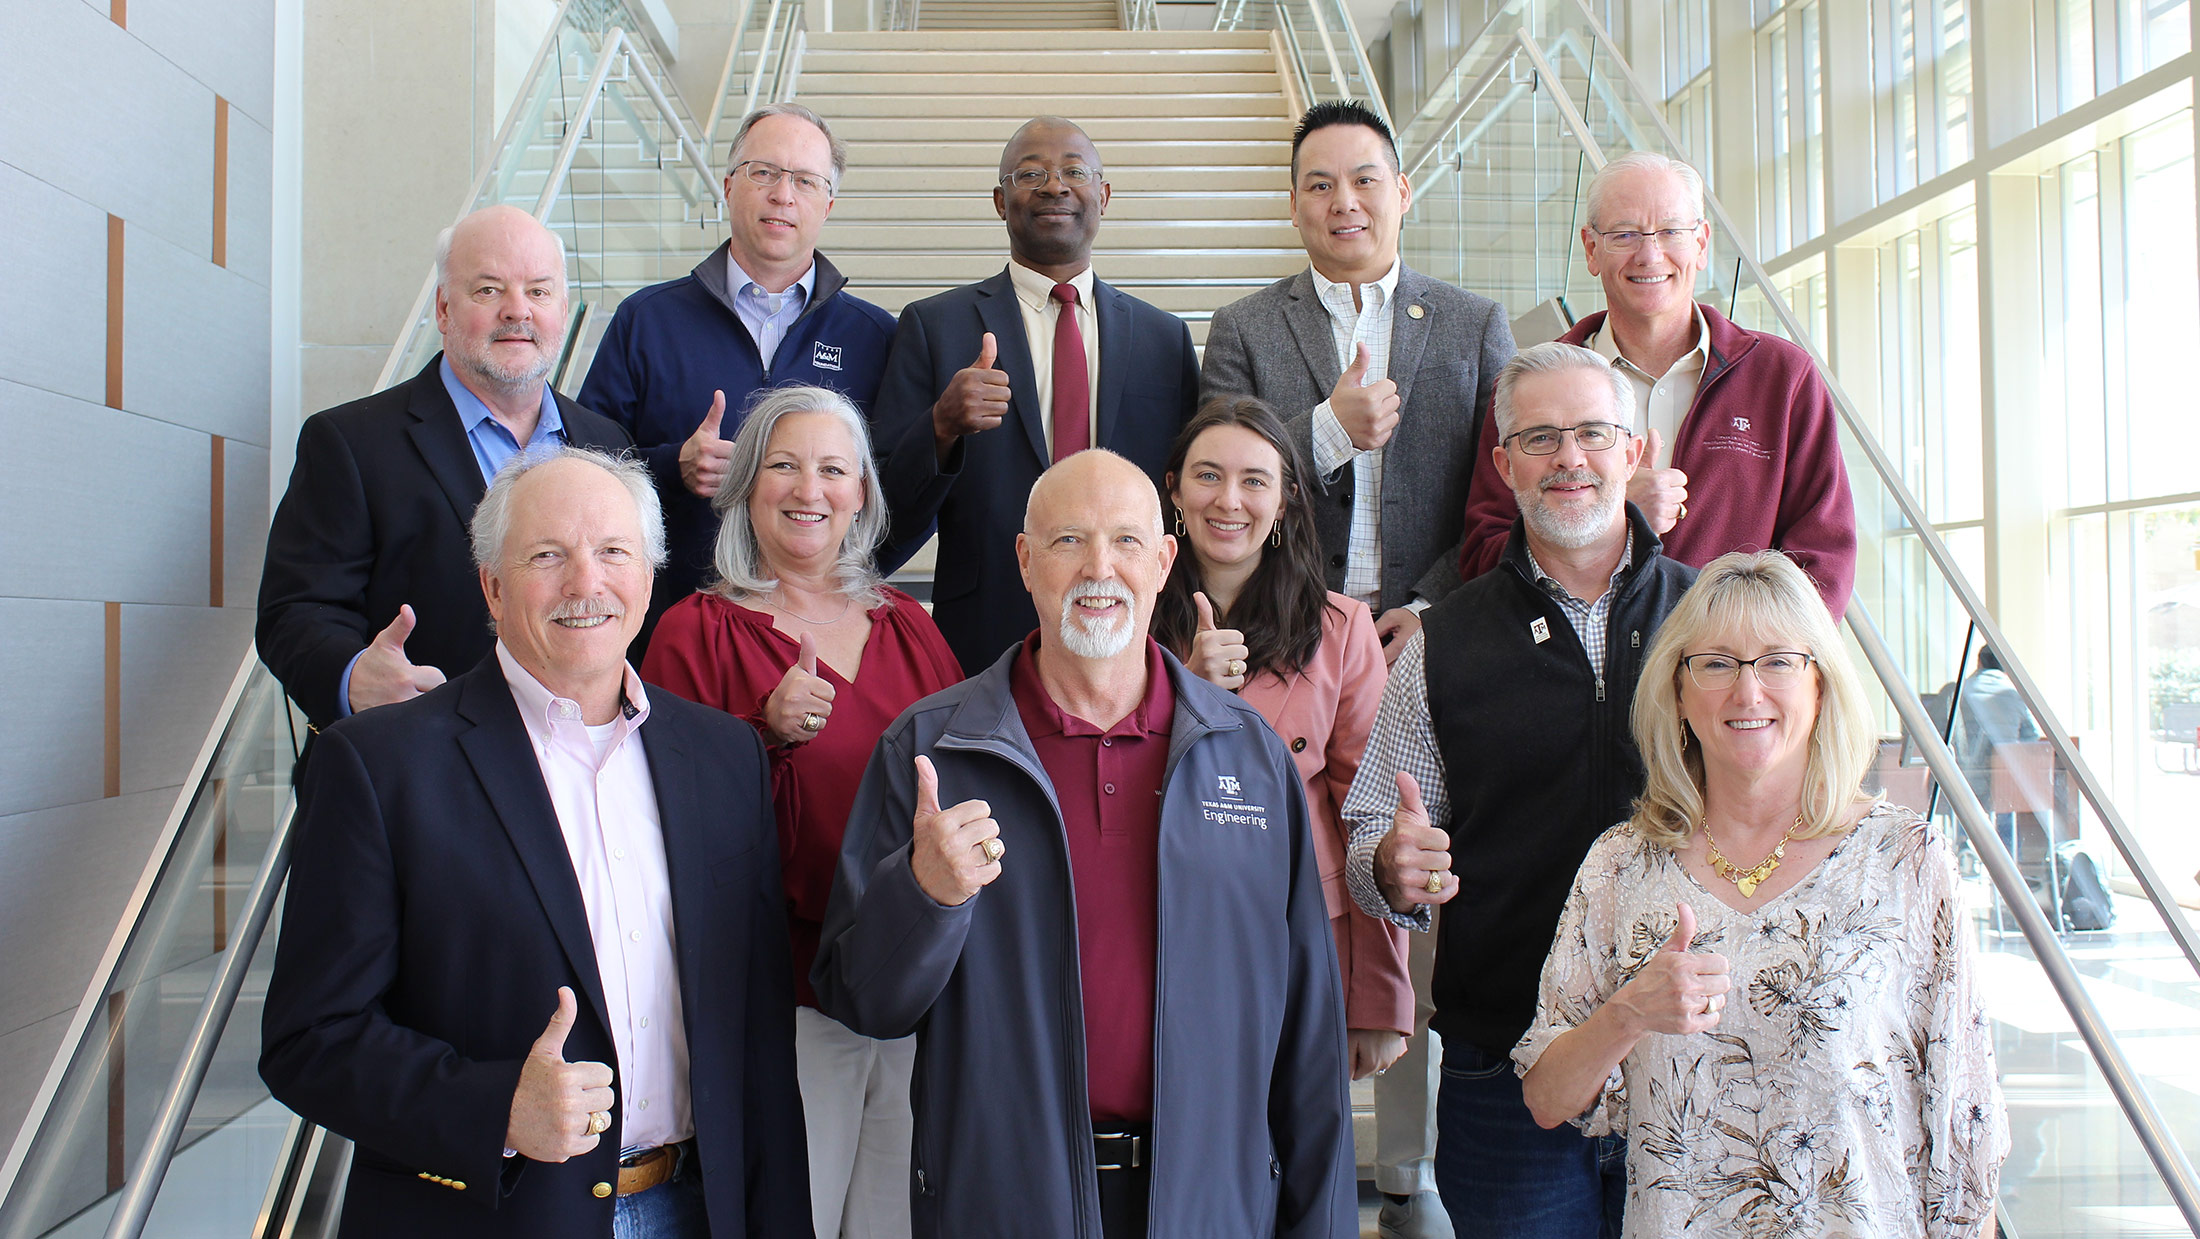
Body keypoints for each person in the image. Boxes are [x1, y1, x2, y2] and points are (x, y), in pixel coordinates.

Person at [260, 448, 811, 1238]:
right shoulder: (380, 765)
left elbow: (758, 1038)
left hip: (700, 1209)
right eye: (547, 556)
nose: (586, 583)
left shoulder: (724, 757)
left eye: (614, 552)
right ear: (491, 585)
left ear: (650, 576)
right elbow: (307, 1039)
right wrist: (495, 1110)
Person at [813, 450, 1355, 1238]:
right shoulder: (934, 750)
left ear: (1165, 561)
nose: (1100, 568)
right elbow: (863, 1001)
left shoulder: (1249, 753)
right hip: (1004, 1205)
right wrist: (923, 896)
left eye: (1127, 542)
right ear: (1027, 562)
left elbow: (1309, 1029)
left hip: (1214, 1202)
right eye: (1069, 541)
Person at [1515, 550, 2010, 1236]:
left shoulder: (1905, 859)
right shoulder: (1621, 866)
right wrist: (1628, 1012)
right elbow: (1545, 1096)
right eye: (1716, 663)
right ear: (1679, 694)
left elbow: (1965, 1130)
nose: (1747, 692)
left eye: (1778, 660)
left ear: (1821, 685)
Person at [1345, 342, 1699, 1237]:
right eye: (1539, 438)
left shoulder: (1710, 623)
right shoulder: (1441, 642)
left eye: (1591, 432)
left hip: (1695, 1059)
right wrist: (1391, 865)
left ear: (1636, 449)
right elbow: (1369, 844)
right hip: (1503, 1068)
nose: (1568, 458)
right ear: (1503, 466)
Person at [640, 386, 961, 1239]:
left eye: (832, 468)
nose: (807, 489)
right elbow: (659, 818)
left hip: (915, 985)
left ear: (862, 491)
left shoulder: (911, 627)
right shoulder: (692, 631)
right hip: (782, 995)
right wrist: (761, 733)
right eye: (782, 465)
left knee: (899, 1222)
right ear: (746, 485)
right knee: (797, 1217)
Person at [257, 205, 631, 730]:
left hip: (579, 759)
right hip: (416, 765)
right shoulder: (350, 443)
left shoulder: (608, 445)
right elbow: (293, 612)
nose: (517, 311)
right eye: (488, 290)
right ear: (443, 309)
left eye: (539, 291)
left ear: (563, 310)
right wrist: (352, 676)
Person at [868, 116, 1201, 676]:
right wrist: (941, 428)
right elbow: (882, 522)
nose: (1054, 186)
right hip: (985, 635)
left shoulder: (1164, 339)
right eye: (1031, 174)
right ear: (1001, 201)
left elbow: (1186, 493)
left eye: (1075, 171)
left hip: (1132, 630)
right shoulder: (934, 326)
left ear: (1105, 195)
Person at [1457, 151, 1856, 615]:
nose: (1650, 255)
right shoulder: (1528, 385)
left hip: (1726, 675)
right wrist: (1606, 512)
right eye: (1624, 234)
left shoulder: (1781, 379)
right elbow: (1483, 556)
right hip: (1569, 670)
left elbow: (1823, 558)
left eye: (1670, 232)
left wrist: (1752, 663)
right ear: (1590, 249)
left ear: (1702, 243)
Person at [1151, 395, 1412, 1082]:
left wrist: (1380, 994)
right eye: (1207, 476)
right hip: (1159, 934)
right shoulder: (1127, 616)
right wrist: (1184, 688)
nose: (1228, 500)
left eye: (1254, 480)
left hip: (1301, 936)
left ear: (1289, 499)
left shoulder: (1342, 627)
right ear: (1173, 491)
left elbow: (1369, 816)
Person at [1201, 101, 1517, 665]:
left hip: (1438, 636)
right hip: (1281, 636)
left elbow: (1505, 489)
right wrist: (1327, 429)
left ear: (1401, 192)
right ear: (1294, 208)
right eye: (1320, 186)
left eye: (1364, 180)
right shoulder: (1242, 328)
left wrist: (1431, 608)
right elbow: (1217, 480)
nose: (1344, 201)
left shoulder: (1476, 324)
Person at [580, 103, 897, 648]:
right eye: (764, 173)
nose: (783, 194)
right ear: (728, 186)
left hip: (819, 637)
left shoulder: (875, 337)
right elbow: (584, 467)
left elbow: (891, 491)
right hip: (667, 632)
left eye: (805, 180)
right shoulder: (646, 319)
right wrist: (670, 467)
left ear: (828, 203)